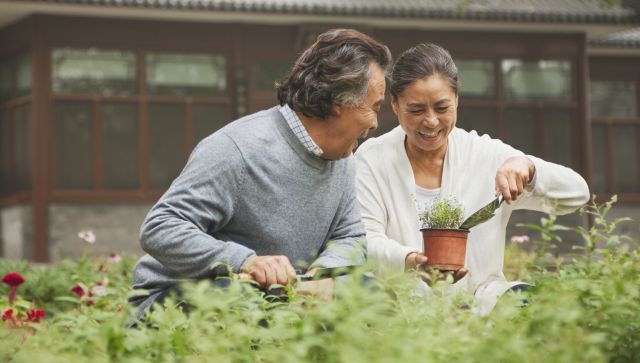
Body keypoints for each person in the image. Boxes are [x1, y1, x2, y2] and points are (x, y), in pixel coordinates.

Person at [130, 29, 392, 317]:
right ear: (339, 102)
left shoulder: (343, 159)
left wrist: (323, 276)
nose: (375, 123)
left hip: (283, 295)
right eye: (374, 107)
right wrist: (246, 262)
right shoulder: (238, 148)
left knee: (373, 294)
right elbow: (160, 228)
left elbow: (350, 235)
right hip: (180, 297)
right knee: (250, 300)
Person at [354, 43, 589, 314]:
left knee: (535, 305)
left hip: (482, 302)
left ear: (456, 100)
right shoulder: (373, 159)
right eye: (417, 110)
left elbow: (578, 193)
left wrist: (529, 167)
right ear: (395, 105)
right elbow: (365, 241)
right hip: (402, 303)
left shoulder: (485, 155)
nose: (431, 122)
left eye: (442, 108)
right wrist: (411, 261)